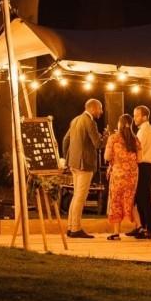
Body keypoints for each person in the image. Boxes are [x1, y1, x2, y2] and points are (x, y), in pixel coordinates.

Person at [62, 98, 103, 239]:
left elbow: (65, 140)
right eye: (100, 108)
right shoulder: (90, 121)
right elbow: (97, 144)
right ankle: (76, 228)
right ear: (92, 108)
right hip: (84, 164)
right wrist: (107, 137)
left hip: (73, 163)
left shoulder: (75, 120)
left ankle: (70, 227)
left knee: (76, 196)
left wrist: (67, 159)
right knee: (81, 196)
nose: (101, 112)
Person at [104, 114, 140, 241]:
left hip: (118, 174)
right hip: (132, 175)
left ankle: (116, 232)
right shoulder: (135, 139)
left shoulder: (113, 138)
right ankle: (139, 225)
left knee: (116, 201)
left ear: (119, 123)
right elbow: (139, 158)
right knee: (131, 199)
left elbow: (107, 157)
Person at [129, 105, 151, 239]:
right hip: (150, 166)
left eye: (137, 116)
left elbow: (138, 149)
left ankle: (148, 228)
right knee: (140, 197)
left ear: (145, 117)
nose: (134, 118)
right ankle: (141, 226)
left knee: (144, 197)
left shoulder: (144, 131)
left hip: (144, 166)